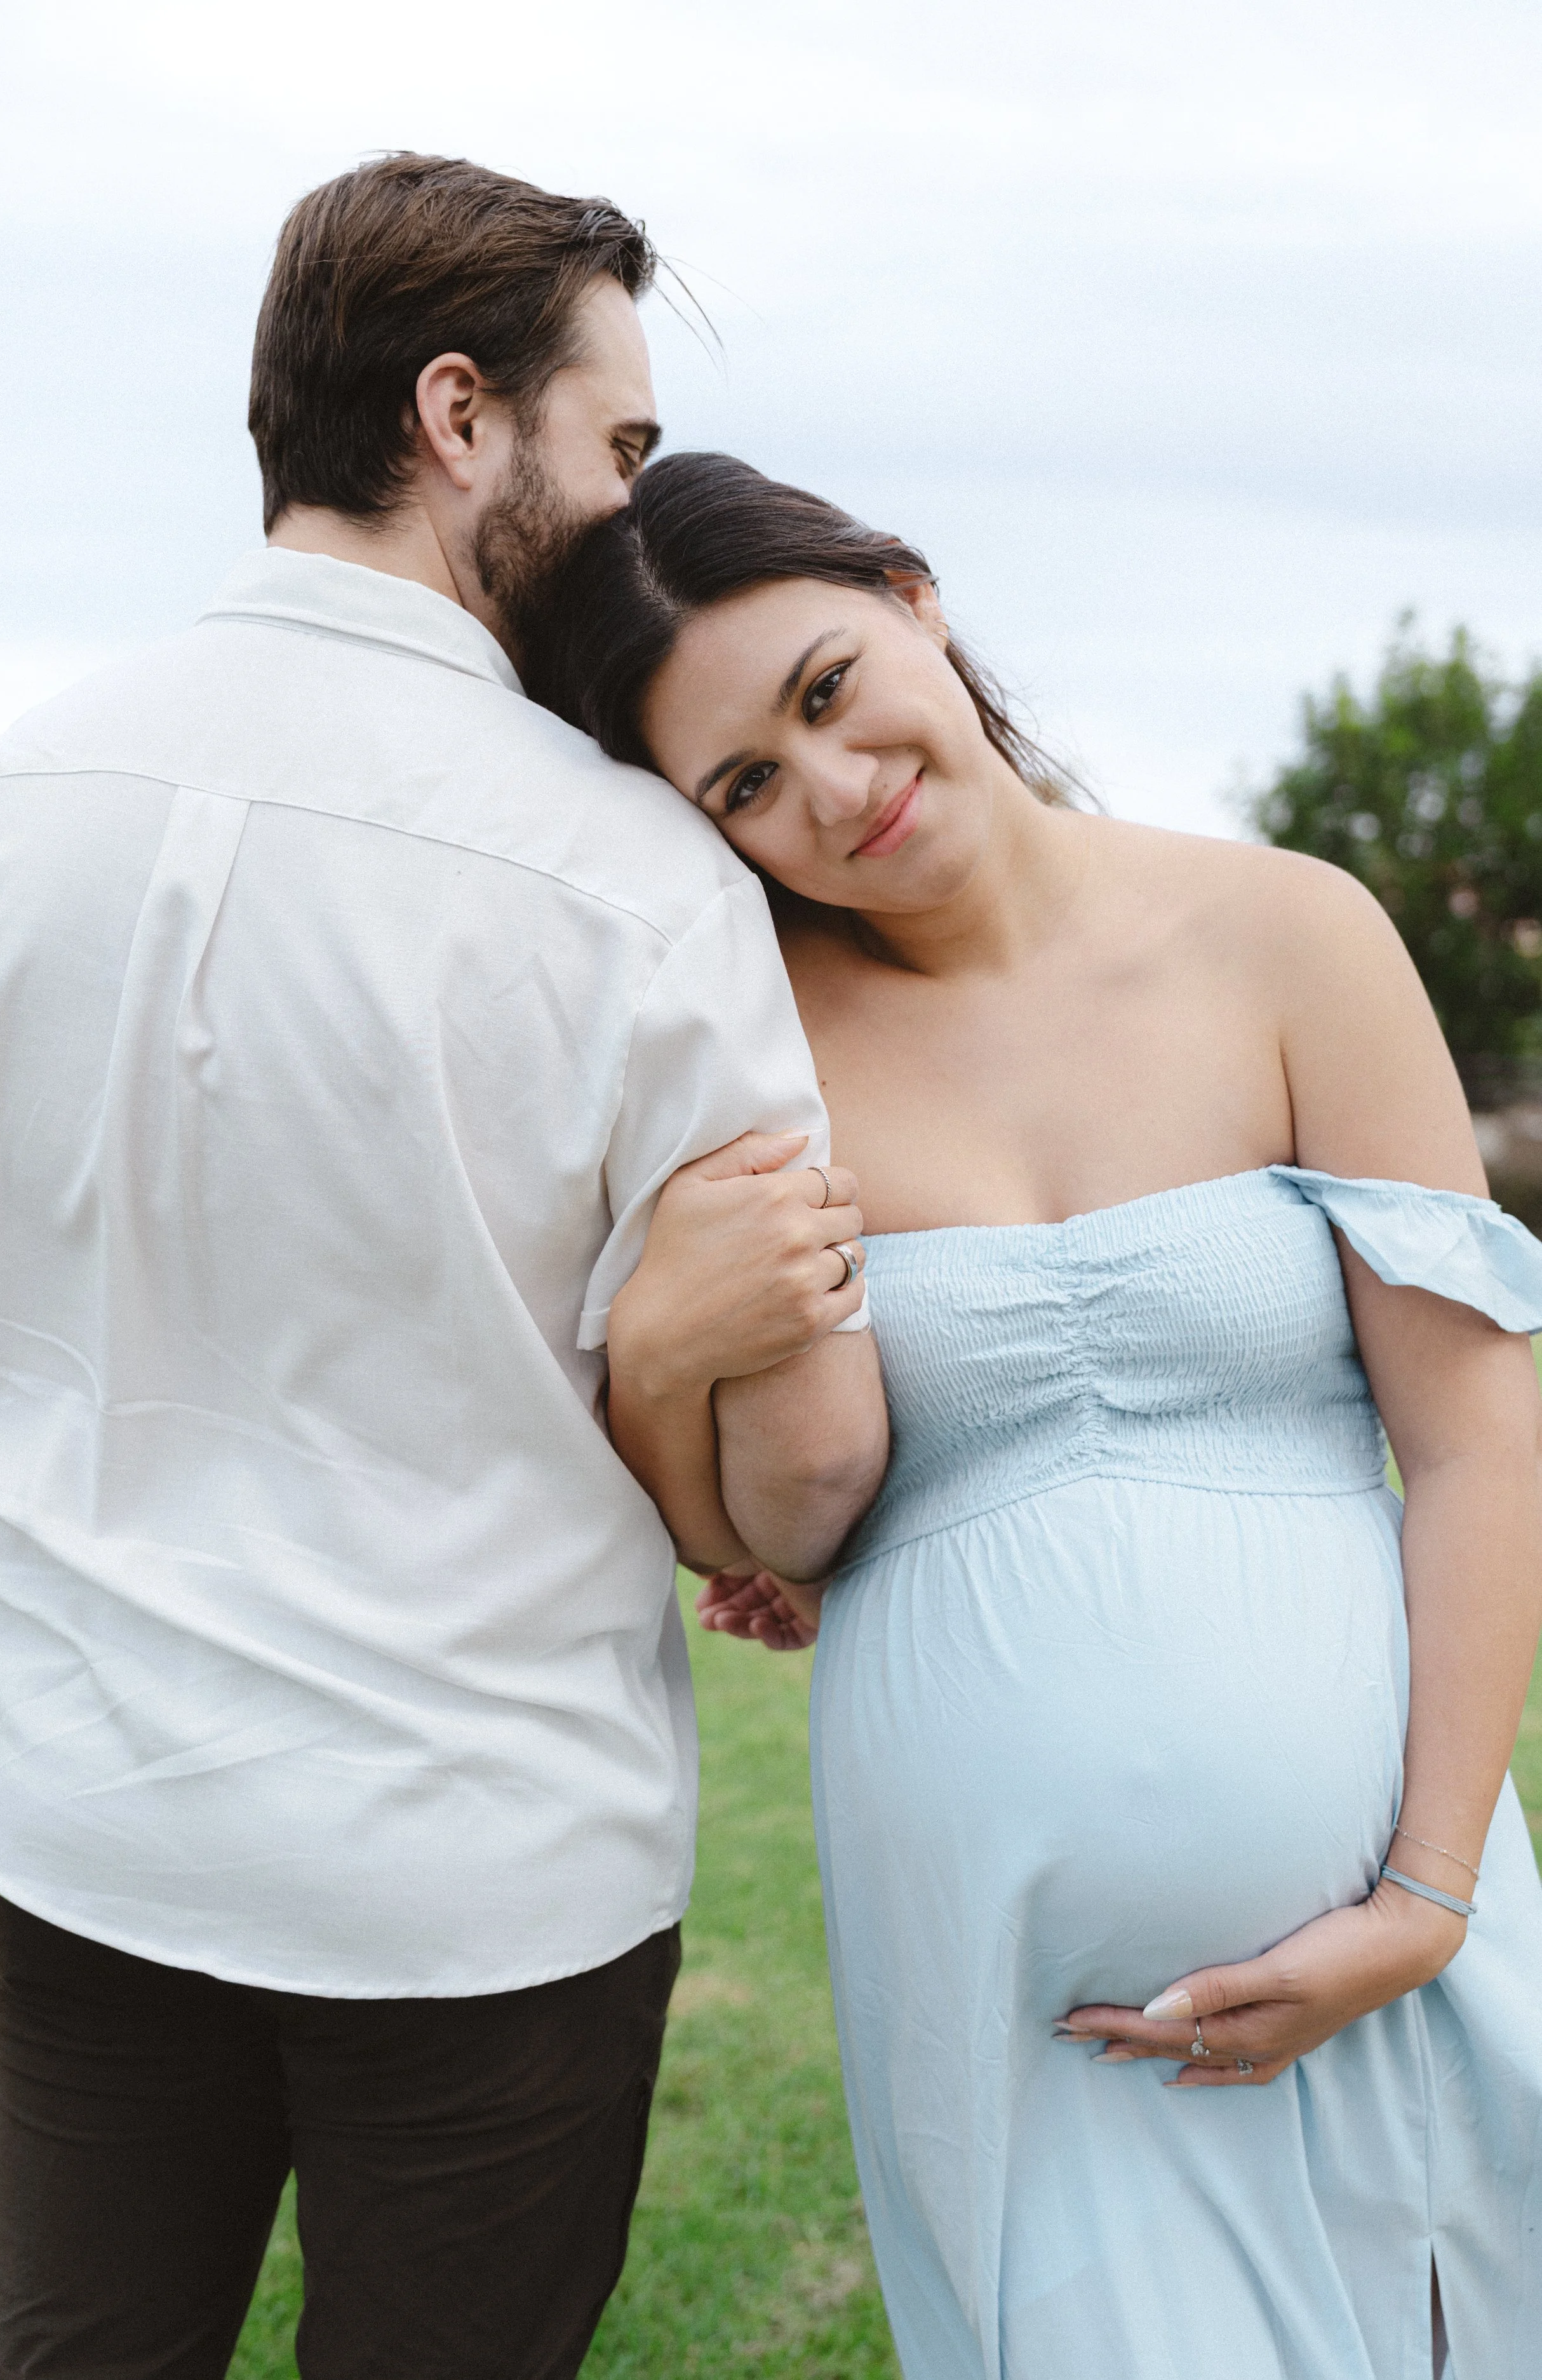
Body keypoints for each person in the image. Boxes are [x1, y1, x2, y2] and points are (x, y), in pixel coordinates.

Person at [0, 171, 887, 2379]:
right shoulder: (638, 882)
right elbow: (807, 1483)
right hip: (487, 1871)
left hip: (88, 1813)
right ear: (463, 419)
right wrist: (680, 1385)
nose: (631, 507)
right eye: (623, 446)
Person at [523, 450, 1542, 2379]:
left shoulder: (1289, 936)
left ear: (909, 596)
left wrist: (1420, 1899)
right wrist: (666, 1364)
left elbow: (1479, 1443)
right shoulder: (750, 1056)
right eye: (742, 783)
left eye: (825, 691)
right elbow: (757, 1528)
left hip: (1392, 1937)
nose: (830, 791)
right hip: (1013, 1993)